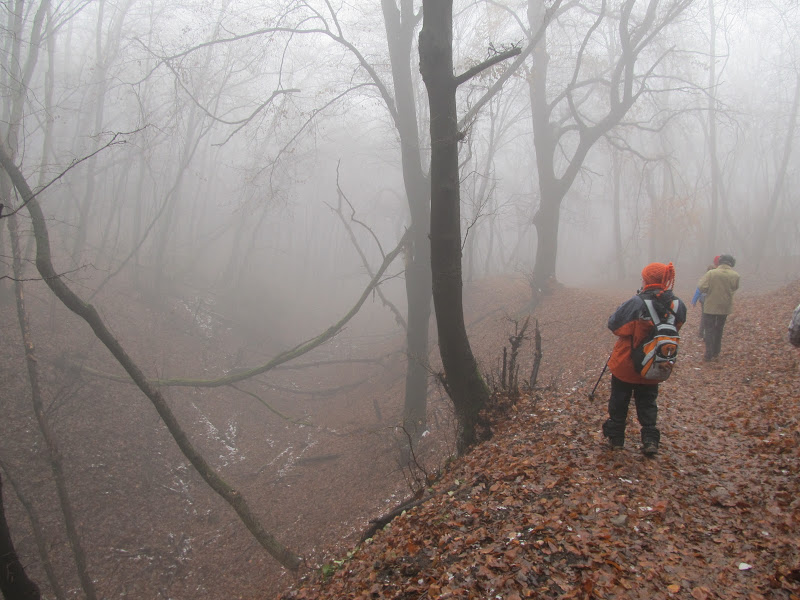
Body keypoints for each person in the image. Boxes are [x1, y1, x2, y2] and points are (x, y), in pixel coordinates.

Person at [602, 262, 686, 456]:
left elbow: (615, 325)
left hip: (627, 362)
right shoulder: (677, 304)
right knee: (648, 402)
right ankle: (649, 440)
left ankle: (616, 439)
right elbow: (676, 327)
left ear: (646, 279)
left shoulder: (637, 302)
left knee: (619, 400)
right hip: (655, 362)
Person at [697, 254, 740, 362]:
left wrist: (709, 291)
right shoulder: (735, 275)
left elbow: (701, 286)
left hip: (710, 305)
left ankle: (709, 353)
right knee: (719, 328)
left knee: (709, 329)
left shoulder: (711, 273)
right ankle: (716, 351)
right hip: (725, 306)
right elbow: (735, 287)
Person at [691, 257, 719, 337]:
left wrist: (694, 300)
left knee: (704, 316)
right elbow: (698, 290)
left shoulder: (704, 278)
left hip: (704, 300)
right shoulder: (715, 279)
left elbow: (698, 290)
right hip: (709, 300)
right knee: (711, 316)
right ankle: (707, 333)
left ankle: (702, 332)